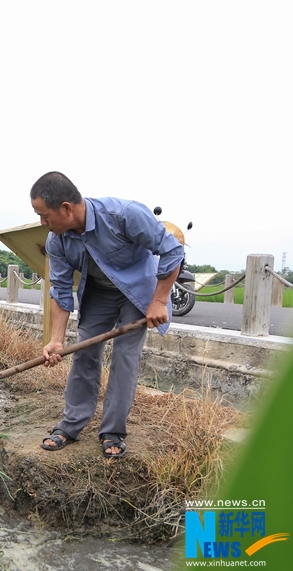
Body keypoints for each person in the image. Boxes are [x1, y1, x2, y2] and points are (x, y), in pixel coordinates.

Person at [31, 171, 184, 458]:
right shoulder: (57, 240)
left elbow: (172, 251)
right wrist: (56, 340)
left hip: (137, 290)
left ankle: (113, 430)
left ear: (66, 208)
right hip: (98, 292)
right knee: (84, 351)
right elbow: (61, 290)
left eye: (44, 215)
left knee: (125, 357)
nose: (42, 222)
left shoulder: (124, 214)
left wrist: (160, 300)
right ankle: (71, 423)